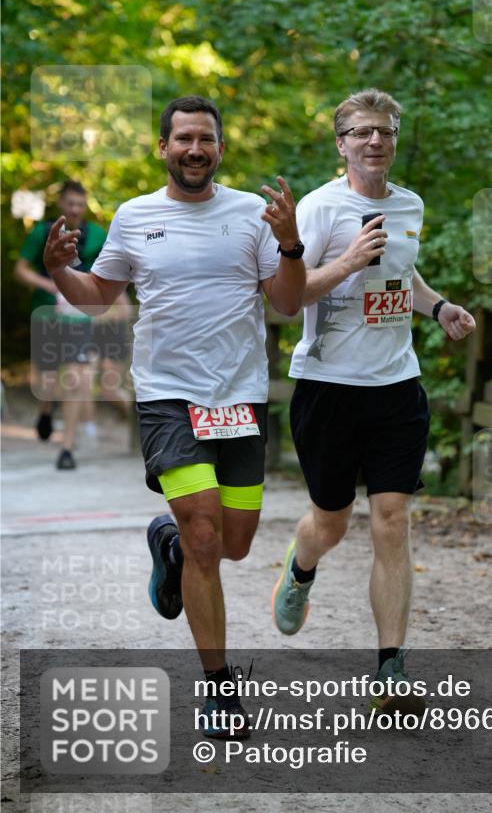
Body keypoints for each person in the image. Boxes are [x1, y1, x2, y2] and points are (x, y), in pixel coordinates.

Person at [43, 95, 305, 736]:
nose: (194, 149)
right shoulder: (135, 217)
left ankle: (166, 539)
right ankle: (220, 690)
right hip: (168, 397)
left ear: (220, 149)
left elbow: (289, 304)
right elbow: (99, 297)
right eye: (183, 138)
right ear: (163, 147)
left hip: (240, 396)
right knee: (207, 539)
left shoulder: (252, 215)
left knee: (236, 544)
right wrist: (59, 271)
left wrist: (292, 245)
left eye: (205, 139)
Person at [272, 88, 476, 713]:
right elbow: (289, 294)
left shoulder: (410, 204)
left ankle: (391, 667)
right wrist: (349, 262)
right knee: (330, 521)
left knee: (393, 519)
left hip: (396, 387)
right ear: (341, 143)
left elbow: (402, 274)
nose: (375, 141)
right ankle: (301, 568)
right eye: (361, 132)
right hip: (328, 390)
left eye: (385, 131)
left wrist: (438, 307)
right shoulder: (317, 208)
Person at [14, 180, 107, 469]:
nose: (76, 209)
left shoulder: (98, 235)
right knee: (50, 382)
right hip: (47, 315)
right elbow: (21, 269)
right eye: (71, 204)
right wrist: (51, 285)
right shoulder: (43, 232)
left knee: (78, 379)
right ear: (61, 205)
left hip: (79, 316)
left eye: (80, 204)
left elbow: (112, 271)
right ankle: (45, 410)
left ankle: (67, 448)